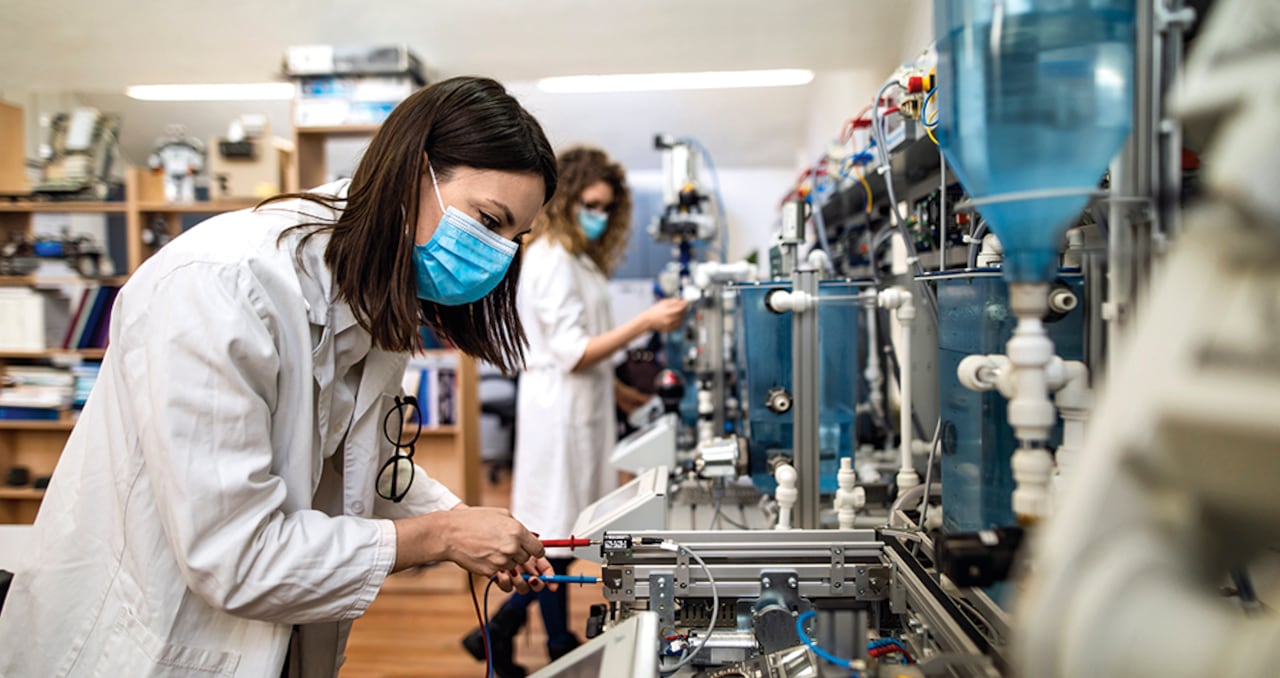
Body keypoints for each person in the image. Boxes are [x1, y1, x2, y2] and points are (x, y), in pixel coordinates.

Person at [0, 76, 561, 678]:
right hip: (140, 647)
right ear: (411, 173)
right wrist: (442, 535)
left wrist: (472, 522)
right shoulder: (221, 286)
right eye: (489, 220)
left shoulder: (372, 290)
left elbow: (364, 464)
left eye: (514, 237)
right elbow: (234, 555)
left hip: (272, 639)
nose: (500, 254)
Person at [462, 146, 687, 676]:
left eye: (607, 207)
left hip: (582, 409)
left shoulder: (580, 259)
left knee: (566, 535)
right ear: (564, 201)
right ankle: (554, 649)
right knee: (555, 540)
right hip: (557, 414)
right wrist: (647, 321)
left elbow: (592, 358)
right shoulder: (551, 260)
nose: (599, 216)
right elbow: (573, 352)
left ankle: (497, 635)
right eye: (590, 203)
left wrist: (628, 398)